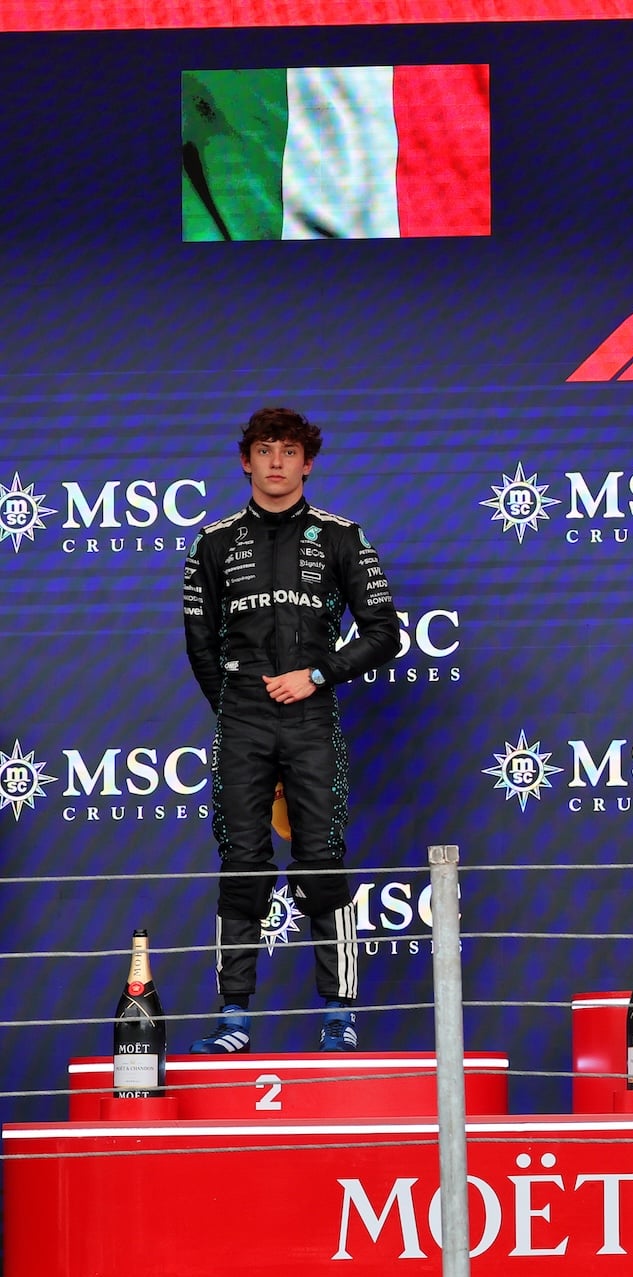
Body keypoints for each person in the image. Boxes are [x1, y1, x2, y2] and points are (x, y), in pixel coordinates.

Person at [181, 407, 400, 1052]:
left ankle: (339, 1017)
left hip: (311, 717)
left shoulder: (341, 536)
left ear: (309, 463)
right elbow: (198, 643)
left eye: (290, 451)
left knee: (323, 866)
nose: (276, 462)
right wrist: (238, 702)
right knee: (241, 865)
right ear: (245, 461)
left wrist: (318, 675)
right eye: (264, 450)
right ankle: (233, 1019)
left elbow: (385, 631)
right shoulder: (213, 542)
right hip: (244, 717)